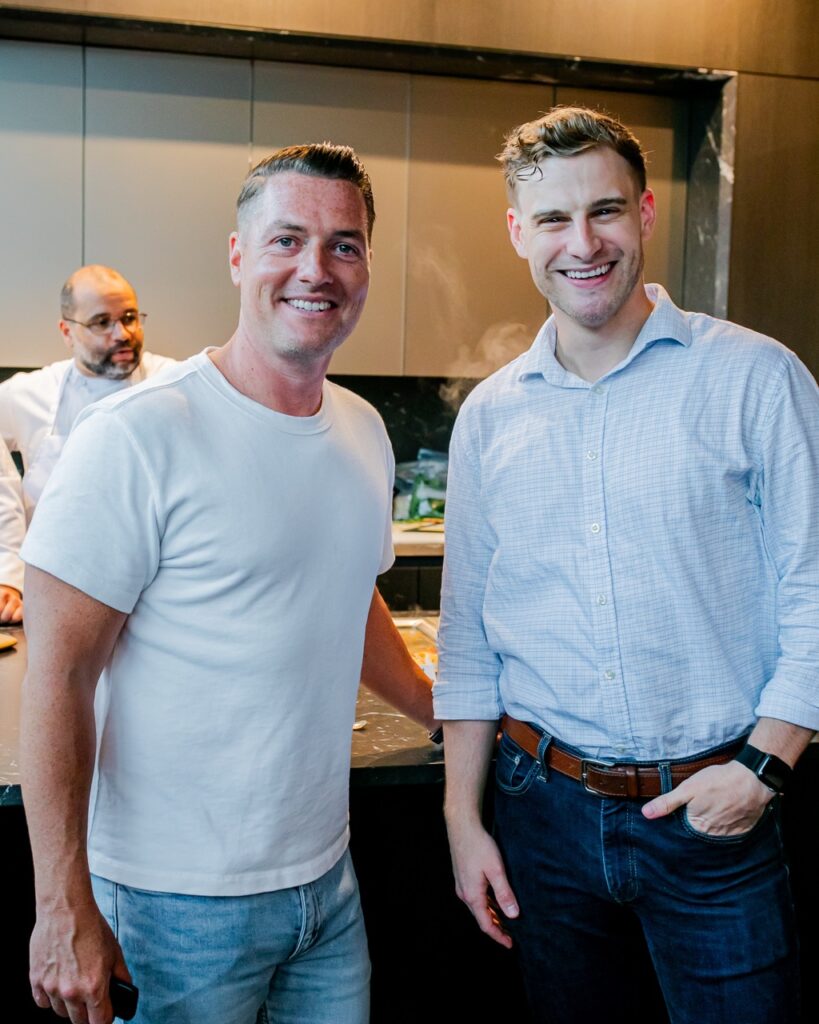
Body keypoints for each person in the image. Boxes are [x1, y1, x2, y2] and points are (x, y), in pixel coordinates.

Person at [21, 143, 438, 1024]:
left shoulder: (362, 430)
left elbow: (341, 595)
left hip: (327, 885)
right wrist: (60, 908)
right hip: (173, 904)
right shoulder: (137, 436)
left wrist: (439, 709)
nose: (315, 269)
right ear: (238, 254)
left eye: (344, 245)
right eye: (286, 239)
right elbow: (57, 679)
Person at [434, 105, 819, 1024]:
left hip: (712, 808)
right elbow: (467, 631)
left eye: (604, 211)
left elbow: (814, 590)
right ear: (517, 233)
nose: (583, 244)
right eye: (555, 220)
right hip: (542, 815)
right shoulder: (490, 414)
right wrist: (460, 817)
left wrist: (762, 770)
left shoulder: (755, 379)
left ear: (644, 214)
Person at [0, 264, 176, 623]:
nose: (122, 334)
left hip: (153, 599)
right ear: (67, 331)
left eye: (130, 317)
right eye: (101, 322)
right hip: (52, 593)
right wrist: (8, 575)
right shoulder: (29, 394)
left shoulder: (173, 383)